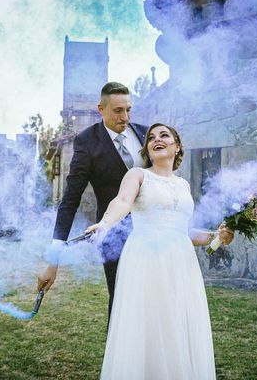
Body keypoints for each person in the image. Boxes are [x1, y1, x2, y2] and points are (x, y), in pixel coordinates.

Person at [85, 123, 232, 379]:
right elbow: (121, 202)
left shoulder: (184, 185)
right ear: (148, 149)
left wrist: (215, 236)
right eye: (151, 138)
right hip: (146, 259)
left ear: (177, 146)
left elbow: (183, 230)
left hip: (181, 262)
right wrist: (105, 223)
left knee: (177, 326)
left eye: (164, 135)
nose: (156, 140)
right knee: (149, 325)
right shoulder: (138, 176)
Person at [37, 81, 149, 321]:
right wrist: (53, 259)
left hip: (153, 233)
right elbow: (70, 199)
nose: (125, 117)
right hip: (114, 237)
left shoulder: (146, 133)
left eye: (129, 109)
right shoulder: (86, 142)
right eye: (118, 111)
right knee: (122, 307)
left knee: (152, 307)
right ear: (101, 109)